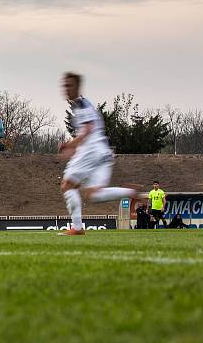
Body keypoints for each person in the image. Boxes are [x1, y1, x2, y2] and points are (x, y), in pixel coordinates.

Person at [58, 72, 143, 236]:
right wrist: (75, 147)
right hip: (103, 152)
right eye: (64, 85)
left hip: (92, 151)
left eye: (68, 85)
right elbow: (90, 130)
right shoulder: (82, 105)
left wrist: (70, 145)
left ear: (77, 86)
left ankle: (77, 228)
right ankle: (129, 192)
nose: (65, 88)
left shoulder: (82, 105)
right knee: (94, 195)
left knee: (67, 185)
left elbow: (88, 130)